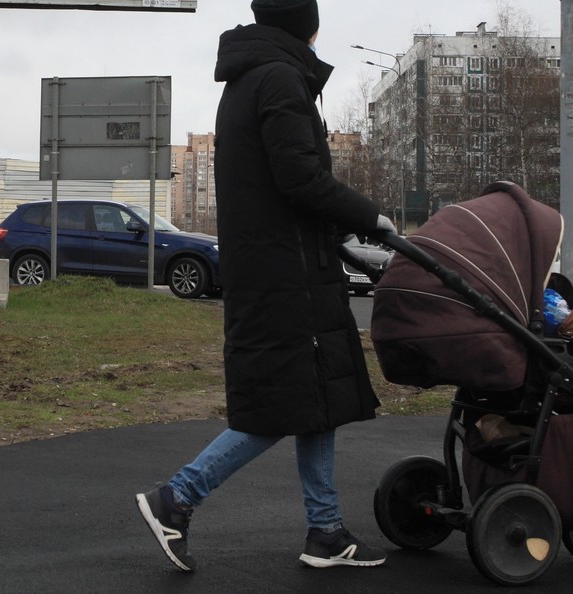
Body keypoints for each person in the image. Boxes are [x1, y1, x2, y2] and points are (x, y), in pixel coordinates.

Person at [136, 0, 395, 572]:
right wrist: (368, 215)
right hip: (287, 280)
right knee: (280, 406)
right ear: (307, 25)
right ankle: (177, 498)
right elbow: (302, 177)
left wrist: (337, 236)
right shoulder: (279, 78)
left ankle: (325, 531)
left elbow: (281, 189)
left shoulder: (253, 78)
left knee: (317, 400)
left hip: (287, 270)